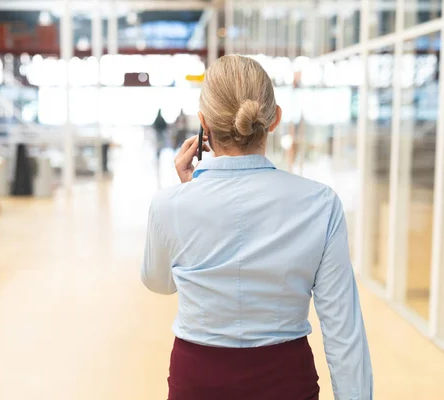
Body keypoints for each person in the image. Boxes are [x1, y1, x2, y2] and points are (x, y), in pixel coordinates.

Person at [141, 55, 372, 400]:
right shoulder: (320, 203)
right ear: (274, 119)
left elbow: (160, 283)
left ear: (203, 123)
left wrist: (188, 197)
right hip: (287, 381)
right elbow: (343, 329)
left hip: (197, 380)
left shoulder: (170, 205)